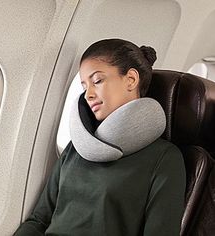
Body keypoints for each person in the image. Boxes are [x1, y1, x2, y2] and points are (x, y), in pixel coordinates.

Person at [14, 39, 186, 236]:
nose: (88, 94)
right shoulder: (75, 149)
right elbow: (39, 220)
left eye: (97, 81)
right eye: (84, 86)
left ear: (131, 79)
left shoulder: (164, 158)